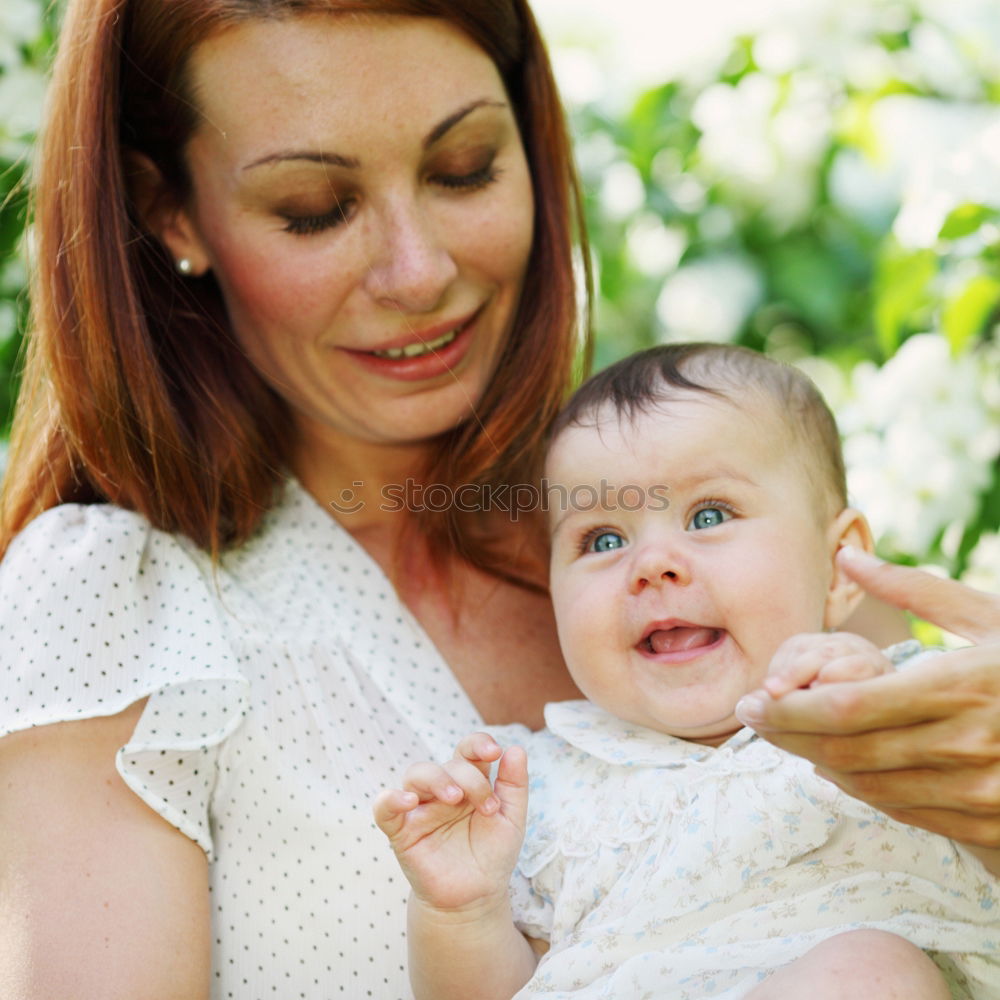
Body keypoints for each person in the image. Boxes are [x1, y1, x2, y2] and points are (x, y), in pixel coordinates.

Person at [0, 0, 997, 997]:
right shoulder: (118, 599)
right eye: (314, 206)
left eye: (464, 167)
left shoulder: (750, 529)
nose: (418, 269)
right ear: (168, 211)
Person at [374, 344, 999, 1000]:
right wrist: (461, 909)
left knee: (872, 972)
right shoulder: (536, 790)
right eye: (604, 540)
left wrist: (878, 710)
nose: (652, 562)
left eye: (708, 515)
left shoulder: (912, 713)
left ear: (840, 563)